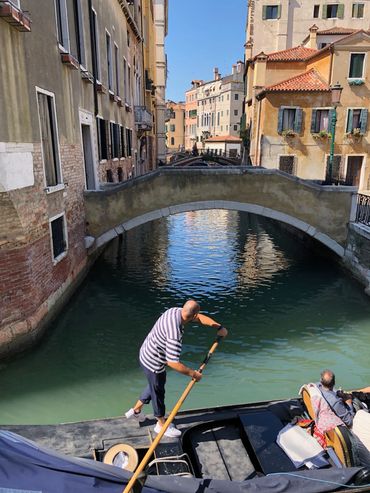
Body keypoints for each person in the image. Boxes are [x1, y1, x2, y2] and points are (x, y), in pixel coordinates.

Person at [125, 300, 228, 438]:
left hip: (146, 352)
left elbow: (199, 317)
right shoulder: (175, 334)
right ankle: (160, 425)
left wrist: (218, 327)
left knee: (156, 384)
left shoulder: (174, 311)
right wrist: (194, 374)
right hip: (153, 362)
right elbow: (173, 362)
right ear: (192, 315)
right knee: (158, 393)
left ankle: (135, 411)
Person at [317, 369, 370, 466]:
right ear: (334, 382)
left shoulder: (318, 387)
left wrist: (339, 394)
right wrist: (349, 403)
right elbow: (350, 421)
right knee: (361, 409)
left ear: (321, 380)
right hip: (349, 423)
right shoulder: (335, 402)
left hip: (337, 405)